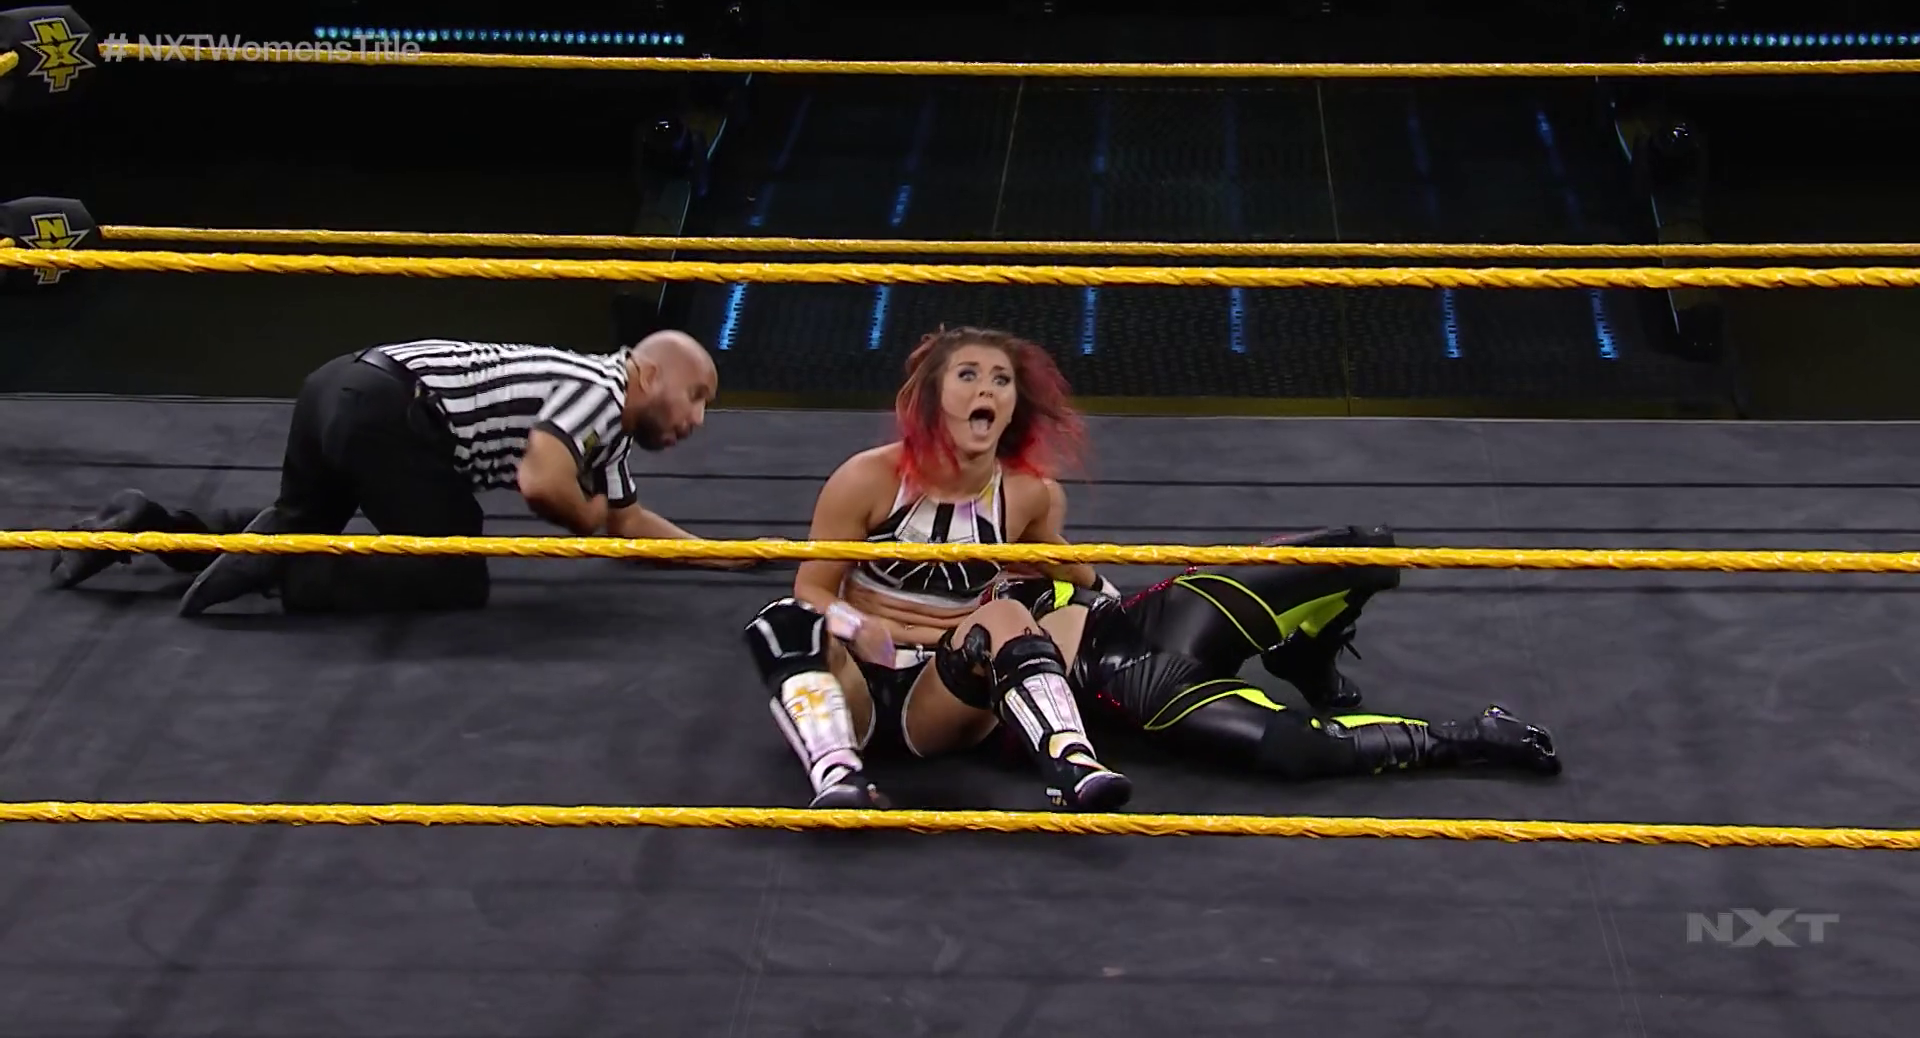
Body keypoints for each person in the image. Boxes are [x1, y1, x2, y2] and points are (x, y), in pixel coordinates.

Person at [48, 330, 749, 615]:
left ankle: (150, 524)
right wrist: (585, 516)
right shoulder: (601, 387)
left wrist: (735, 555)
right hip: (394, 412)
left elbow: (626, 523)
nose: (697, 419)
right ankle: (283, 571)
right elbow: (543, 482)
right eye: (696, 396)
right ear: (647, 374)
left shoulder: (608, 432)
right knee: (453, 573)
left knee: (301, 518)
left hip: (342, 385)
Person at [740, 326, 1131, 812]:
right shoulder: (867, 479)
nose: (986, 390)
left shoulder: (1026, 495)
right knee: (782, 620)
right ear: (933, 395)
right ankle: (836, 773)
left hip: (944, 692)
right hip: (857, 681)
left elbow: (1061, 562)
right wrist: (856, 626)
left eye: (1001, 380)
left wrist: (1123, 607)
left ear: (1014, 405)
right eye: (968, 375)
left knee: (1007, 614)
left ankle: (1072, 763)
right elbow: (811, 589)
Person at [994, 524, 1564, 780]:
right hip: (1142, 692)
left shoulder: (1003, 522)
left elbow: (1086, 575)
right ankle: (1468, 736)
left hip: (1154, 616)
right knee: (1299, 748)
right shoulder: (956, 618)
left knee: (1365, 551)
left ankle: (1305, 656)